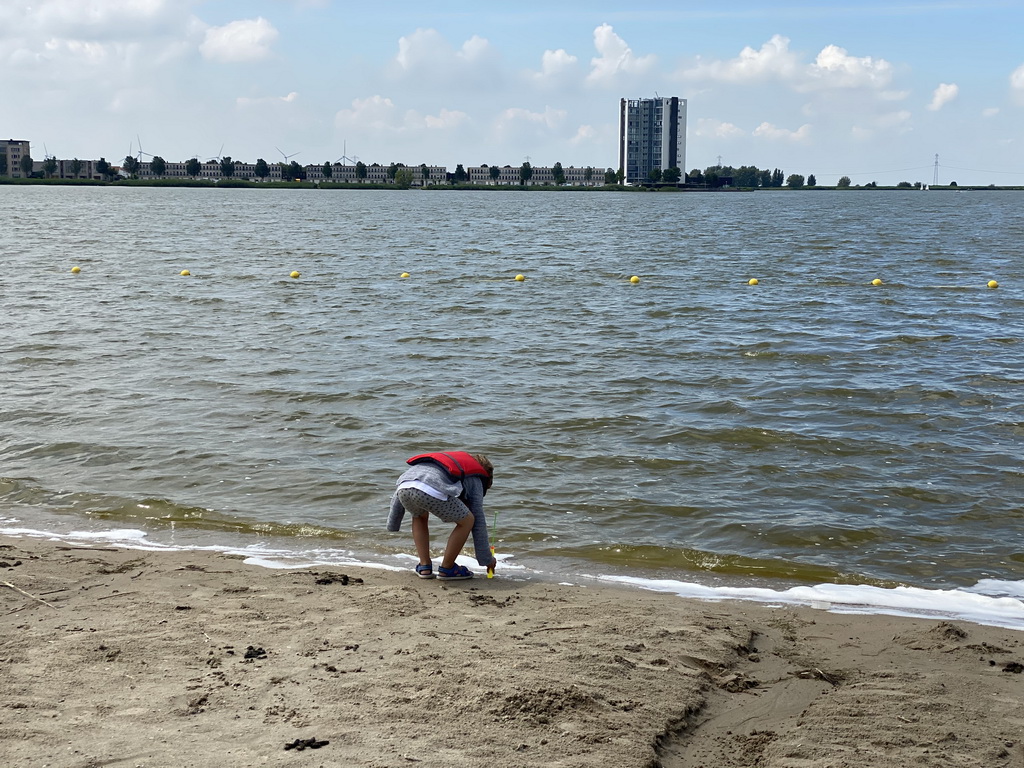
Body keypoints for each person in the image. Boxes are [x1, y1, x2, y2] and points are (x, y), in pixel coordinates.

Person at [387, 451, 495, 580]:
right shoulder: (476, 476)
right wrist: (487, 559)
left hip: (403, 487)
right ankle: (447, 568)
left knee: (419, 516)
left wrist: (392, 524)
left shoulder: (438, 464)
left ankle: (424, 566)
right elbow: (478, 521)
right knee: (468, 521)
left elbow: (404, 489)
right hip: (429, 490)